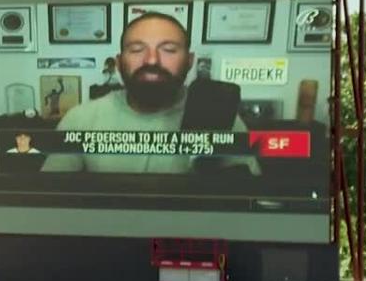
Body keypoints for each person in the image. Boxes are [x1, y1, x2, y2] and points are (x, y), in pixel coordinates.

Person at [41, 12, 259, 174]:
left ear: (190, 61)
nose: (152, 60)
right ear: (118, 62)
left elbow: (248, 204)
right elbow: (50, 200)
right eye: (137, 50)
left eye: (169, 50)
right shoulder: (82, 118)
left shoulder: (219, 115)